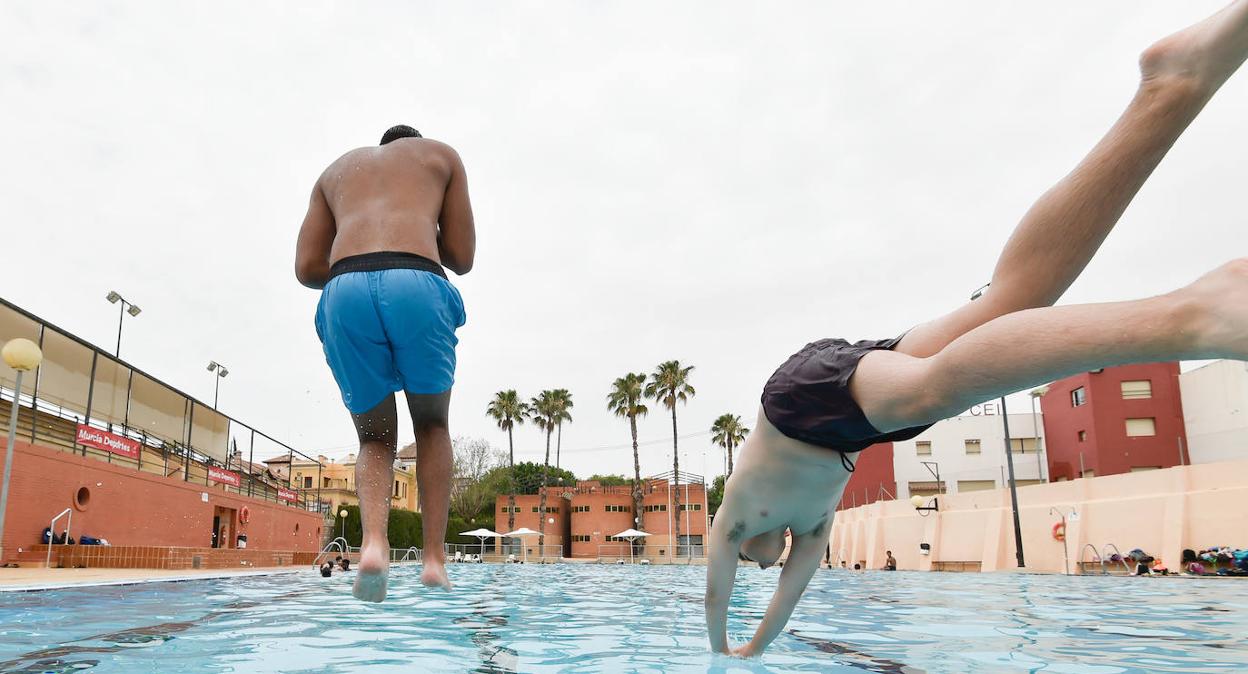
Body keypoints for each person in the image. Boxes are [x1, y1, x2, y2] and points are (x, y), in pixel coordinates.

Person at [706, 2, 1248, 657]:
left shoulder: (734, 519)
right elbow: (787, 597)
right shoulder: (814, 528)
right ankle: (1171, 86)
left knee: (936, 389)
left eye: (753, 564)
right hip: (860, 415)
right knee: (1013, 300)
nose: (763, 568)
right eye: (767, 565)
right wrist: (752, 651)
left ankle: (1192, 316)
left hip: (801, 401)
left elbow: (717, 592)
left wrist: (716, 649)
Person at [296, 124, 476, 602]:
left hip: (343, 290)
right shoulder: (441, 157)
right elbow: (462, 257)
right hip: (415, 281)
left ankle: (375, 544)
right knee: (432, 424)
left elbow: (305, 267)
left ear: (381, 148)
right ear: (413, 144)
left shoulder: (336, 172)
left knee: (375, 436)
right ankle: (434, 560)